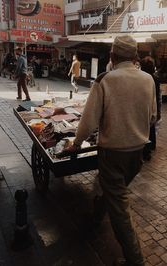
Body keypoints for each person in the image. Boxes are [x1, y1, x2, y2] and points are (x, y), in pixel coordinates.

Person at [65, 35, 157, 266]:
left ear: (113, 56)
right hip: (137, 154)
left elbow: (88, 122)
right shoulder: (148, 80)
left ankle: (136, 260)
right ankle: (96, 217)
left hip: (113, 154)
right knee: (115, 193)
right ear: (135, 57)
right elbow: (154, 117)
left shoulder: (105, 80)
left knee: (120, 210)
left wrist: (76, 143)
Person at [140, 57, 162, 160]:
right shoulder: (156, 79)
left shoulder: (141, 78)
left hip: (142, 107)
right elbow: (158, 96)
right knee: (150, 128)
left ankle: (145, 151)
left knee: (142, 129)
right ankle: (150, 147)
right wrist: (158, 110)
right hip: (152, 106)